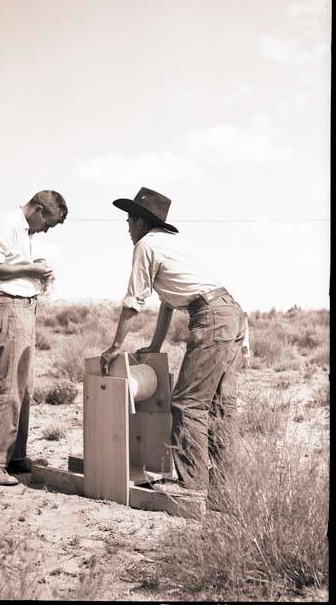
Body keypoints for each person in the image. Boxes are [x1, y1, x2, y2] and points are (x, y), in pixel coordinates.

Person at [100, 186, 247, 496]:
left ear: (140, 221)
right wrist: (154, 346)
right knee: (221, 407)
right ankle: (227, 489)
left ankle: (193, 487)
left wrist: (115, 346)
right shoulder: (172, 245)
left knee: (187, 404)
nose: (127, 226)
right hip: (231, 312)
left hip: (211, 316)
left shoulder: (146, 246)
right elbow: (167, 304)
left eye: (129, 219)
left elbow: (132, 302)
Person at [0, 190, 68, 486]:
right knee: (10, 386)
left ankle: (14, 457)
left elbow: (8, 266)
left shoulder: (23, 229)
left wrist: (33, 273)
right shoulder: (8, 222)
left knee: (24, 386)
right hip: (8, 305)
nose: (46, 229)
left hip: (22, 306)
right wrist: (31, 268)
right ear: (39, 210)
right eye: (49, 223)